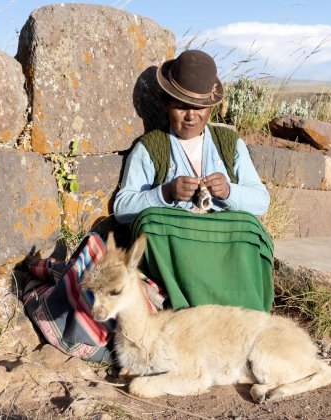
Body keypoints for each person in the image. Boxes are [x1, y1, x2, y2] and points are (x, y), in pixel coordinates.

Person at [114, 49, 274, 312]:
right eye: (181, 106)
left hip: (224, 245)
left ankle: (244, 313)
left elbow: (261, 202)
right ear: (166, 103)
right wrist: (164, 193)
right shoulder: (150, 148)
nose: (191, 115)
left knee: (249, 227)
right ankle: (185, 306)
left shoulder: (230, 144)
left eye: (199, 107)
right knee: (150, 225)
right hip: (178, 246)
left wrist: (228, 191)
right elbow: (122, 209)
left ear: (211, 107)